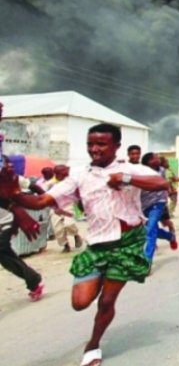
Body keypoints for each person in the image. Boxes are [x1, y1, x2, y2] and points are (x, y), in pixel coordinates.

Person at [13, 123, 168, 366]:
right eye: (90, 144)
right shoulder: (79, 175)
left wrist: (125, 178)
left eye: (101, 144)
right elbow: (42, 199)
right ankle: (102, 283)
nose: (94, 149)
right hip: (97, 243)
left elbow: (162, 185)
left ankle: (93, 345)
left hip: (127, 242)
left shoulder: (131, 169)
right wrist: (13, 196)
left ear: (116, 146)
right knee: (80, 303)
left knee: (107, 301)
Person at [0, 156, 45, 302]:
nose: (9, 167)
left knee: (2, 251)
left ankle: (34, 281)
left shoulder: (10, 176)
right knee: (5, 257)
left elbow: (33, 185)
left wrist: (46, 199)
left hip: (4, 220)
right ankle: (33, 280)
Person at [140, 152, 178, 264]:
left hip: (158, 203)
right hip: (144, 204)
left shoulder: (161, 170)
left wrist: (169, 191)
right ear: (149, 162)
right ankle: (170, 236)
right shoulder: (141, 171)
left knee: (151, 229)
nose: (157, 159)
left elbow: (164, 183)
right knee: (151, 229)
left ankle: (147, 262)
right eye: (154, 158)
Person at [47, 164, 83, 252]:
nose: (66, 175)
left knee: (69, 224)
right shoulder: (50, 184)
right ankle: (65, 245)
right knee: (58, 229)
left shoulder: (72, 182)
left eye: (67, 173)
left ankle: (76, 235)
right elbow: (47, 197)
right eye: (63, 174)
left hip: (68, 205)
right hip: (55, 207)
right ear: (57, 174)